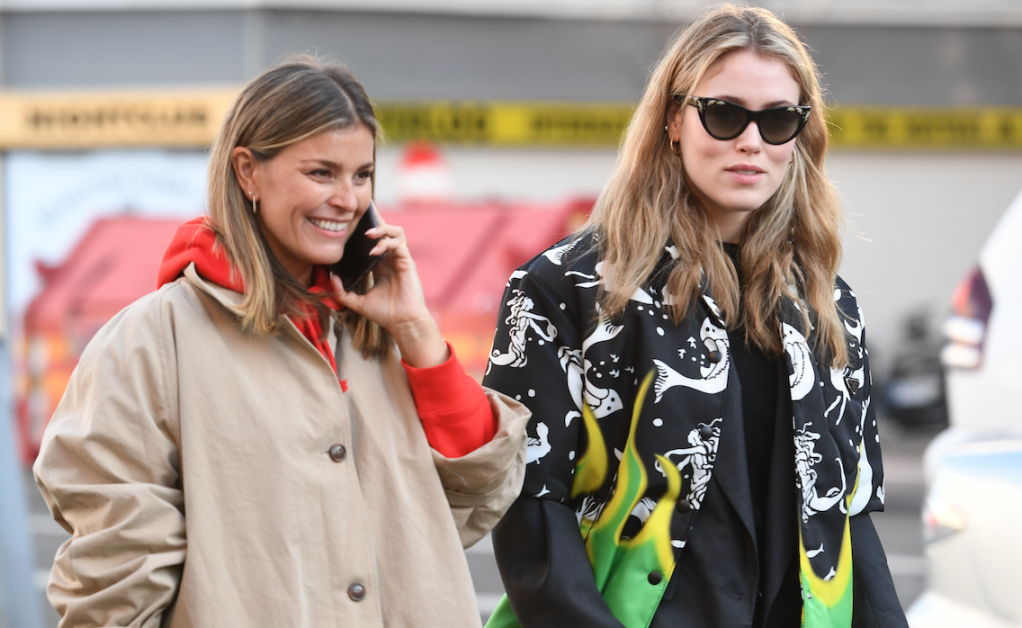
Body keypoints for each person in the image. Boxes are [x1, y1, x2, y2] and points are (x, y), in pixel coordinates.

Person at [33, 58, 529, 628]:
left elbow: (476, 499)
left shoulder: (381, 332)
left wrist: (417, 332)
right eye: (322, 173)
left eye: (362, 175)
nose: (347, 199)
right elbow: (112, 577)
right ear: (248, 171)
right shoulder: (151, 342)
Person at [482, 6, 907, 628]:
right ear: (673, 121)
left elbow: (848, 519)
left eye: (778, 120)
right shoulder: (564, 288)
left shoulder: (826, 305)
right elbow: (530, 510)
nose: (751, 141)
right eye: (725, 114)